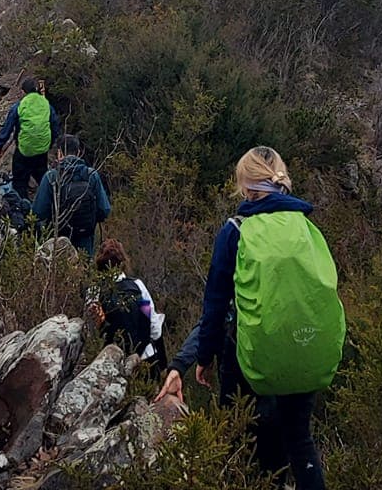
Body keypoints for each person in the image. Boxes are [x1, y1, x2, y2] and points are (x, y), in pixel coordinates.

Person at [157, 147, 341, 490]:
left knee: (241, 443)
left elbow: (216, 304)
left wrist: (204, 357)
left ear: (245, 187)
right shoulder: (306, 227)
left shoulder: (236, 230)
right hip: (304, 354)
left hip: (249, 360)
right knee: (300, 443)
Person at [32, 132, 111, 256]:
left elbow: (38, 212)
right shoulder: (91, 176)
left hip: (57, 241)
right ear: (79, 152)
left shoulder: (51, 177)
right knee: (84, 270)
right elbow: (105, 210)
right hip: (85, 239)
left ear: (59, 153)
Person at [92, 238, 167, 368]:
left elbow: (92, 331)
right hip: (144, 358)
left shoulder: (94, 291)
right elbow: (153, 324)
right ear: (122, 262)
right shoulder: (137, 286)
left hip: (109, 362)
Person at [0, 75, 52, 202]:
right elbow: (55, 125)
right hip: (42, 150)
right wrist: (49, 144)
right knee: (43, 178)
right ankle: (49, 206)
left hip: (24, 151)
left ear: (23, 92)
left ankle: (24, 209)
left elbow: (7, 127)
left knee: (19, 182)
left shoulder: (19, 106)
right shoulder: (46, 104)